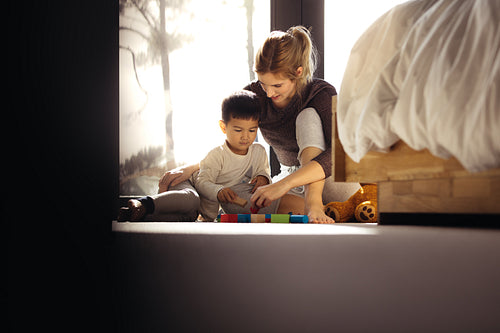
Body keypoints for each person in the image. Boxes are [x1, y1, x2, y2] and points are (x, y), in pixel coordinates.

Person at [159, 26, 360, 223]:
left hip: (334, 179)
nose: (269, 93)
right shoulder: (255, 95)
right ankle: (317, 210)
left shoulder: (320, 93)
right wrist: (195, 167)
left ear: (298, 72)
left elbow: (342, 153)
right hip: (289, 179)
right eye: (263, 84)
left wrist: (284, 185)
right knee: (242, 194)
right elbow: (235, 140)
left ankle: (314, 204)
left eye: (277, 85)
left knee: (307, 116)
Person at [118, 90, 305, 222]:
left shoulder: (258, 151)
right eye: (238, 130)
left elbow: (263, 171)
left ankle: (139, 215)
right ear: (224, 127)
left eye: (252, 130)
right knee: (191, 199)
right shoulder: (217, 154)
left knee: (186, 217)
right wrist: (218, 191)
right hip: (189, 185)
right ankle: (143, 203)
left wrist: (263, 178)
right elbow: (202, 181)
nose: (245, 136)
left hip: (203, 207)